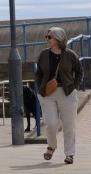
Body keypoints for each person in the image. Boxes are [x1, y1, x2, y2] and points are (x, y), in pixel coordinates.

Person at [35, 27, 83, 165]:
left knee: (69, 125)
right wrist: (40, 88)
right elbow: (39, 73)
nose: (47, 39)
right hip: (48, 93)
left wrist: (75, 87)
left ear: (58, 38)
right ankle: (51, 146)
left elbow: (79, 72)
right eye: (47, 36)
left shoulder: (70, 55)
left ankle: (69, 154)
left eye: (49, 37)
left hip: (67, 93)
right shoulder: (44, 54)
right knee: (51, 123)